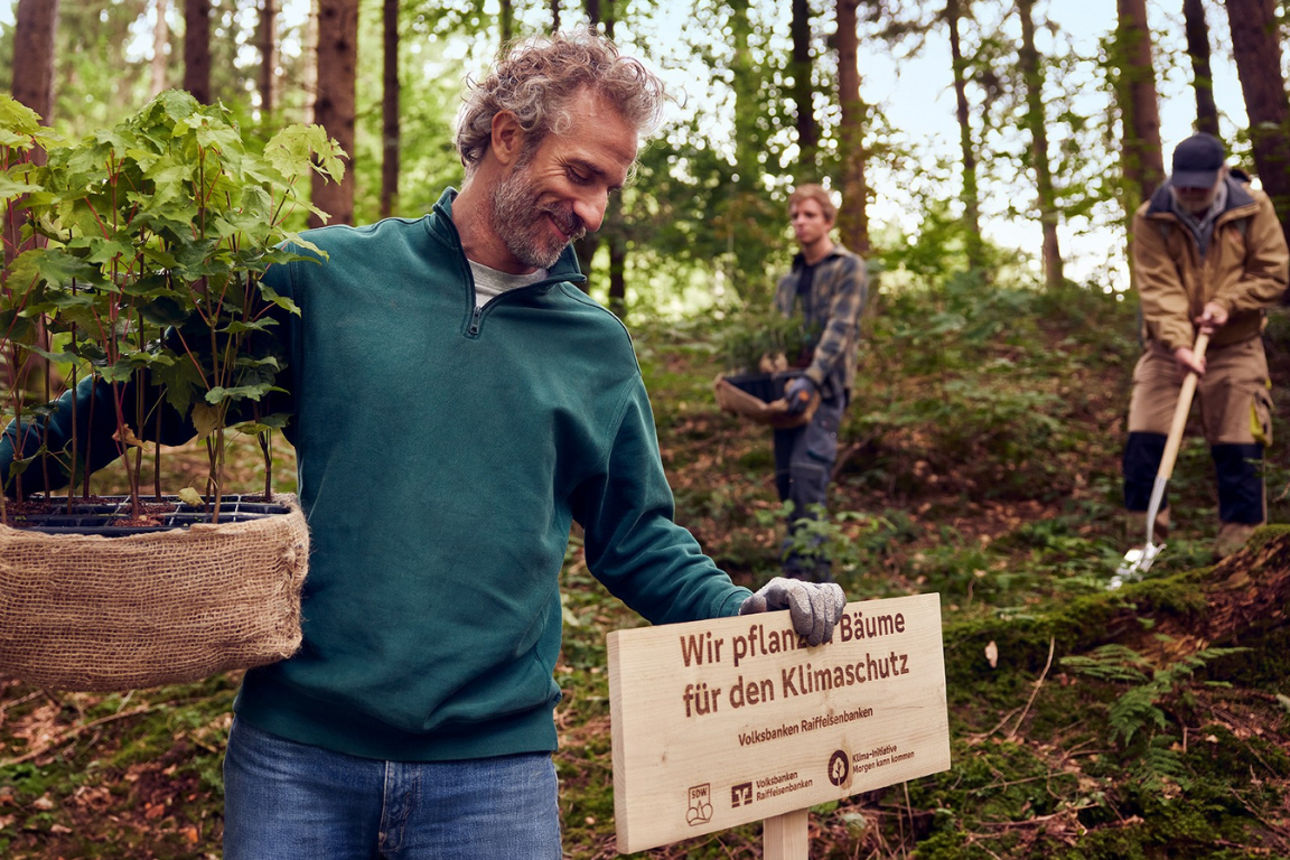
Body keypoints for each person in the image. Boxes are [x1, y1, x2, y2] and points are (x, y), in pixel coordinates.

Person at [0, 31, 846, 858]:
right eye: (581, 174)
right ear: (508, 135)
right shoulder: (325, 278)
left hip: (496, 774)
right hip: (297, 752)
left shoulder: (596, 348)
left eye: (608, 189)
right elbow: (144, 401)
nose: (592, 211)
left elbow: (634, 537)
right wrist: (15, 461)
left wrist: (739, 610)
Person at [1123, 132, 1288, 559]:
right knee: (1145, 440)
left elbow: (1273, 273)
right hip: (1166, 348)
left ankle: (1239, 557)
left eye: (1200, 182)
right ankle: (1143, 551)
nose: (1191, 192)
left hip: (1236, 345)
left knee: (1239, 447)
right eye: (1183, 183)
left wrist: (1227, 304)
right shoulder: (1151, 217)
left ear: (1220, 175)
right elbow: (1159, 290)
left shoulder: (1253, 209)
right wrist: (1180, 344)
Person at [770, 184, 868, 581]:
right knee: (786, 483)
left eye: (809, 215)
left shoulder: (848, 267)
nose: (800, 222)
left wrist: (811, 379)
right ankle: (794, 582)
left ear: (828, 220)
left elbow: (840, 329)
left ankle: (815, 584)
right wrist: (771, 367)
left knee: (808, 478)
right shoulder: (788, 280)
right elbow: (775, 334)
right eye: (795, 216)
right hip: (787, 392)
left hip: (824, 390)